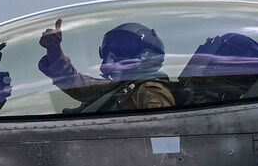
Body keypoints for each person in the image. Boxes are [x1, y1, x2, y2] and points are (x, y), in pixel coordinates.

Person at [37, 18, 175, 112]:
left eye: (121, 47)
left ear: (145, 54)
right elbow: (72, 81)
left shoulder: (151, 91)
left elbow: (165, 142)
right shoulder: (115, 90)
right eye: (106, 50)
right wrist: (54, 50)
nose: (110, 57)